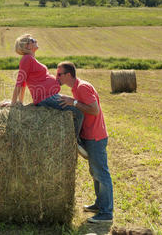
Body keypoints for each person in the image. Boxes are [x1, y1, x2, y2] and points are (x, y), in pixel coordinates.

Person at [0, 34, 86, 157]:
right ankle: (75, 142)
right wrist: (14, 103)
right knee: (78, 110)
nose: (36, 41)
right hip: (46, 97)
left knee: (76, 105)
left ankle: (77, 140)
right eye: (33, 40)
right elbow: (20, 82)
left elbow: (24, 83)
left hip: (49, 95)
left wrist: (20, 102)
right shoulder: (26, 59)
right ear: (27, 45)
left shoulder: (30, 59)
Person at [56, 61, 114, 224]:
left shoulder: (81, 87)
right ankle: (99, 204)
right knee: (95, 173)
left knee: (101, 173)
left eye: (59, 74)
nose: (57, 77)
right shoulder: (76, 87)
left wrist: (73, 102)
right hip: (89, 135)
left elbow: (94, 110)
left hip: (95, 136)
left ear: (68, 75)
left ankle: (106, 213)